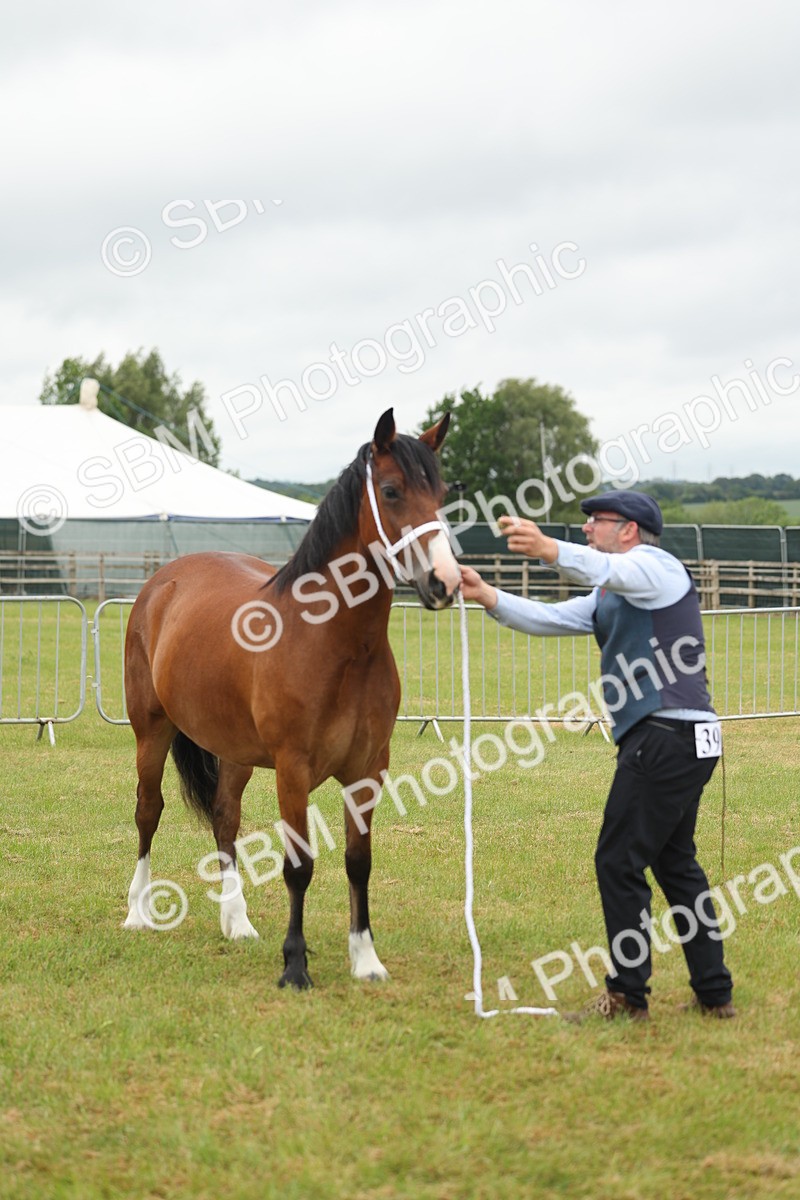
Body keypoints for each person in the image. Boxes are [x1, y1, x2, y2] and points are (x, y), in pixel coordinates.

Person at [459, 490, 735, 1022]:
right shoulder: (613, 588)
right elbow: (550, 618)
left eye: (595, 521)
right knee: (675, 864)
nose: (586, 528)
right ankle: (714, 992)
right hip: (681, 739)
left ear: (628, 530)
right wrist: (488, 595)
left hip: (663, 738)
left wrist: (546, 548)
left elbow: (596, 566)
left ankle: (629, 995)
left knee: (617, 861)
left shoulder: (657, 568)